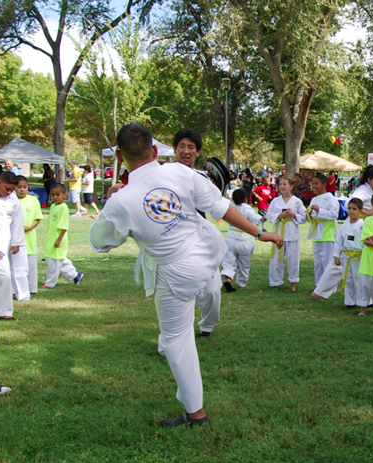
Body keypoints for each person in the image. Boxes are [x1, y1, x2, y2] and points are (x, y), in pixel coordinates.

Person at [88, 123, 283, 428]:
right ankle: (205, 318)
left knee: (176, 339)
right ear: (155, 150)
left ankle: (196, 414)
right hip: (205, 252)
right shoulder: (179, 172)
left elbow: (100, 243)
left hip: (175, 270)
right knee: (198, 304)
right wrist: (260, 233)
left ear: (118, 155)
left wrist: (112, 201)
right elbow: (221, 207)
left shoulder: (121, 201)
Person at [172, 128, 224, 339]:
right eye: (182, 146)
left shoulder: (202, 179)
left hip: (202, 244)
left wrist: (258, 233)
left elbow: (220, 207)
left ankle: (207, 326)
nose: (186, 151)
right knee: (177, 296)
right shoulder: (162, 176)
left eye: (191, 147)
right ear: (175, 149)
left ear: (198, 152)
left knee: (212, 291)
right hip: (174, 245)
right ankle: (174, 336)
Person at [0, 171, 29, 318]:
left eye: (12, 189)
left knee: (4, 276)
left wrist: (16, 242)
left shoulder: (13, 199)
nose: (9, 192)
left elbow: (17, 221)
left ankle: (3, 310)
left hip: (3, 242)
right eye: (6, 188)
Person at [311, 198, 365, 306]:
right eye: (349, 208)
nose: (351, 211)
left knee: (360, 280)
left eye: (354, 209)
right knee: (348, 279)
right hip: (346, 255)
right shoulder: (345, 225)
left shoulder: (363, 225)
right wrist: (337, 256)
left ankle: (363, 301)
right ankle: (349, 302)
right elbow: (338, 242)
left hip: (359, 257)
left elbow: (365, 241)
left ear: (360, 211)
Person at [267, 175, 306, 291]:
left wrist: (293, 215)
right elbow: (269, 215)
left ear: (292, 186)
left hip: (292, 233)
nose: (282, 187)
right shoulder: (275, 201)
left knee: (293, 259)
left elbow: (304, 217)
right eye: (280, 185)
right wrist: (279, 215)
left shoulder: (297, 201)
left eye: (285, 184)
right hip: (278, 232)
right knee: (276, 259)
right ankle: (275, 282)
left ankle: (293, 282)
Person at [43, 183, 84, 288]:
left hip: (58, 239)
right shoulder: (53, 206)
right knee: (58, 260)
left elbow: (64, 226)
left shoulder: (63, 208)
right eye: (53, 195)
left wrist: (59, 239)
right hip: (51, 238)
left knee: (54, 262)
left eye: (58, 194)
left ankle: (50, 283)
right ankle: (75, 275)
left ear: (64, 195)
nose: (55, 197)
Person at [220, 189, 261, 292]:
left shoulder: (231, 208)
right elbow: (256, 219)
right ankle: (241, 284)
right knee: (244, 264)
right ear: (246, 198)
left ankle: (228, 279)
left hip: (230, 239)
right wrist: (262, 217)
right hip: (245, 240)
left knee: (228, 262)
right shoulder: (247, 209)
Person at [307, 173, 340, 286]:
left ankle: (329, 286)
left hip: (327, 233)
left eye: (316, 184)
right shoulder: (313, 199)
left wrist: (320, 211)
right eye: (313, 184)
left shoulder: (330, 198)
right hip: (316, 232)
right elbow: (312, 216)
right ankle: (319, 286)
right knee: (318, 263)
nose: (314, 186)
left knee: (327, 262)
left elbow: (334, 214)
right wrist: (310, 215)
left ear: (324, 185)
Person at [15, 176, 43, 294]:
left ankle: (32, 288)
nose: (22, 190)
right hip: (15, 238)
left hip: (29, 237)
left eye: (25, 187)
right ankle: (16, 289)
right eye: (19, 187)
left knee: (31, 265)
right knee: (17, 265)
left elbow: (37, 217)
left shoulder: (33, 200)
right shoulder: (12, 200)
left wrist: (30, 227)